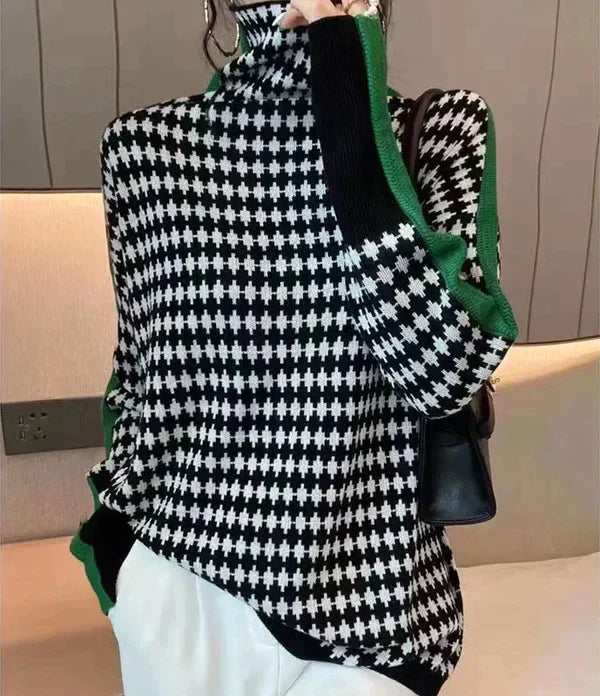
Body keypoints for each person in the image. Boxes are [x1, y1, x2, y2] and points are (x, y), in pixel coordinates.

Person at [69, 0, 519, 694]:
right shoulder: (145, 149)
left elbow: (444, 372)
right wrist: (118, 558)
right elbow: (137, 378)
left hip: (376, 613)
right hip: (182, 595)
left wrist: (343, 81)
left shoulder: (439, 132)